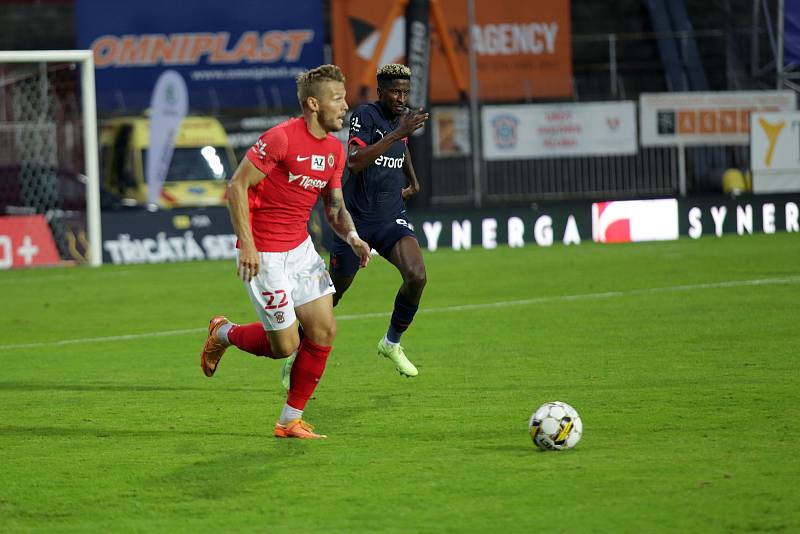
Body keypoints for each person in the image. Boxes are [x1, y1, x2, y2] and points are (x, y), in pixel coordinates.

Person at [199, 64, 371, 440]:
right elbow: (236, 187)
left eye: (345, 99)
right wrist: (246, 243)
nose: (345, 107)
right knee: (285, 346)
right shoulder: (281, 139)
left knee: (324, 330)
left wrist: (353, 236)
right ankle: (223, 333)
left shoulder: (334, 152)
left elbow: (334, 207)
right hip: (264, 255)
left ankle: (289, 420)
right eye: (337, 99)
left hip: (300, 251)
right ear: (313, 103)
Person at [329, 63, 430, 377]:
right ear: (380, 91)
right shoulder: (364, 115)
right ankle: (299, 349)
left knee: (417, 275)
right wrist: (399, 131)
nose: (401, 98)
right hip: (355, 221)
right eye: (395, 92)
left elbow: (403, 146)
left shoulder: (403, 117)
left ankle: (392, 342)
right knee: (332, 295)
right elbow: (356, 162)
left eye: (405, 92)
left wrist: (412, 179)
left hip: (390, 215)